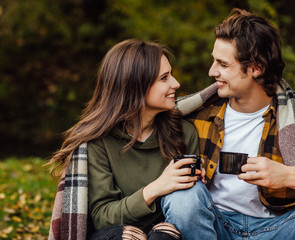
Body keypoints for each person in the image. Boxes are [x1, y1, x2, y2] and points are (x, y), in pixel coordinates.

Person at [162, 9, 295, 240]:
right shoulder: (195, 114)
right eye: (214, 60)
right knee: (181, 198)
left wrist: (287, 176)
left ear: (256, 68)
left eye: (223, 64)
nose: (212, 71)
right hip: (213, 225)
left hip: (278, 227)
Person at [47, 39, 204, 240]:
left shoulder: (184, 132)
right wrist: (156, 188)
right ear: (136, 86)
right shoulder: (98, 142)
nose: (176, 83)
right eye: (164, 78)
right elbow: (101, 218)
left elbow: (188, 208)